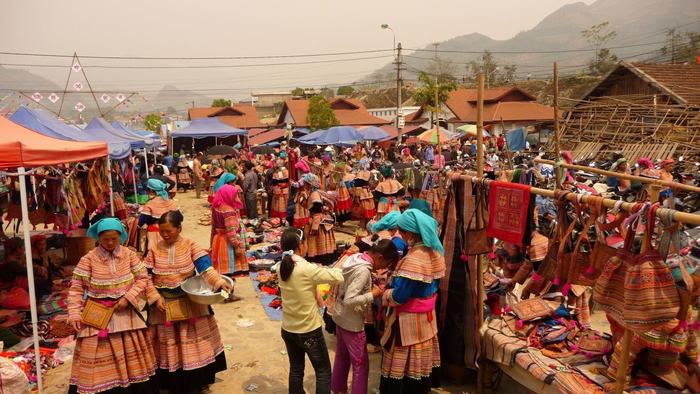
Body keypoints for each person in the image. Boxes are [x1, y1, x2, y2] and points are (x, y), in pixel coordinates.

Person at [67, 218, 158, 394]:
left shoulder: (129, 255)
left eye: (114, 239)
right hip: (97, 314)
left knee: (132, 356)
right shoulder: (88, 260)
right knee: (95, 357)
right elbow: (77, 288)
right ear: (98, 238)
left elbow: (143, 278)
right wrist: (74, 313)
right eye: (106, 239)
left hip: (125, 312)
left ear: (121, 237)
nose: (110, 243)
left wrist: (128, 298)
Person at [145, 211, 232, 393]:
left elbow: (205, 268)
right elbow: (145, 277)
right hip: (163, 307)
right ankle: (170, 383)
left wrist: (219, 282)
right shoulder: (153, 250)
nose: (165, 235)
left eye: (169, 231)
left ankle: (196, 381)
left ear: (179, 228)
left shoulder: (190, 246)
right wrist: (154, 297)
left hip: (189, 302)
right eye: (162, 231)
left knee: (192, 343)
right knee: (168, 345)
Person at [379, 209, 445, 394]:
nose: (401, 235)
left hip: (407, 321)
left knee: (402, 365)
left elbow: (400, 296)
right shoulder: (435, 253)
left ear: (411, 233)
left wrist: (385, 294)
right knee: (419, 362)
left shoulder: (414, 260)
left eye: (403, 232)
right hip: (426, 319)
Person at [277, 227, 344, 394]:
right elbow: (338, 277)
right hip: (308, 331)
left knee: (296, 370)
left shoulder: (281, 266)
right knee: (323, 372)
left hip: (288, 329)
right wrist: (344, 260)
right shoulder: (307, 269)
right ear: (301, 245)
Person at [331, 240, 399, 394]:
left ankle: (338, 389)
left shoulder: (355, 259)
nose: (382, 268)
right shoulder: (363, 271)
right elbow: (350, 300)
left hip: (340, 316)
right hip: (352, 323)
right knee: (360, 364)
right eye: (385, 264)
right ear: (380, 257)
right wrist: (372, 294)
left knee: (342, 357)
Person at [211, 185, 248, 275]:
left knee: (221, 271)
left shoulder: (216, 207)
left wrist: (211, 243)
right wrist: (237, 247)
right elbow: (231, 232)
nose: (236, 198)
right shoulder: (228, 211)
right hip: (227, 244)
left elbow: (213, 228)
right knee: (231, 271)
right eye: (234, 195)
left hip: (217, 241)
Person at [138, 179, 181, 252]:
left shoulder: (150, 204)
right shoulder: (171, 202)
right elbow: (180, 217)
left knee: (155, 252)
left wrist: (138, 226)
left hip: (154, 233)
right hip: (171, 232)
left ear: (151, 191)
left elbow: (142, 220)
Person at [304, 173, 336, 259]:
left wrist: (315, 227)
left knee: (317, 239)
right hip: (319, 218)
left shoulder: (314, 194)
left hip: (318, 220)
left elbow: (317, 210)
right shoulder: (314, 192)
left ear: (310, 184)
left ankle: (319, 257)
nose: (304, 184)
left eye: (305, 183)